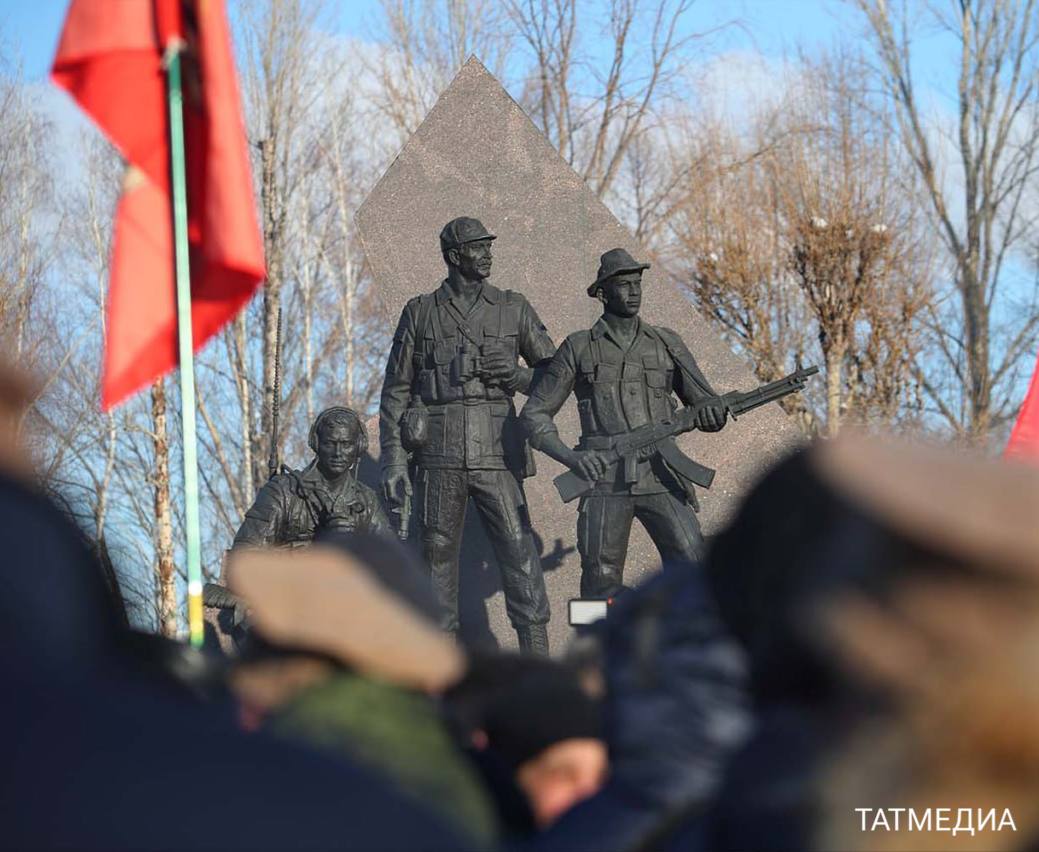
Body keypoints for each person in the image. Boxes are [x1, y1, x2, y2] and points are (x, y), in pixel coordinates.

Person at [379, 216, 556, 653]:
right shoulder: (420, 312)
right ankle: (442, 676)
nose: (488, 254)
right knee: (436, 556)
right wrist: (394, 461)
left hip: (497, 449)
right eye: (478, 248)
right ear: (455, 256)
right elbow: (395, 393)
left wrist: (514, 375)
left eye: (488, 246)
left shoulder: (512, 307)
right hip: (438, 455)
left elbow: (555, 377)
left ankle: (537, 665)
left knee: (518, 552)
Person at [520, 248, 728, 599]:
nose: (634, 291)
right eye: (624, 284)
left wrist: (713, 413)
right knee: (599, 583)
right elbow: (534, 416)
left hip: (662, 476)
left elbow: (706, 403)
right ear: (603, 293)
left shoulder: (666, 342)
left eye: (637, 283)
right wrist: (573, 460)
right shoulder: (578, 347)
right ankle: (592, 649)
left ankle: (684, 647)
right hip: (604, 482)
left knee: (694, 566)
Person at [232, 406, 390, 549]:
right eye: (329, 443)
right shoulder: (283, 491)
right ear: (316, 444)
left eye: (346, 444)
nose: (338, 453)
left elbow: (391, 560)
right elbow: (245, 556)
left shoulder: (367, 501)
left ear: (359, 446)